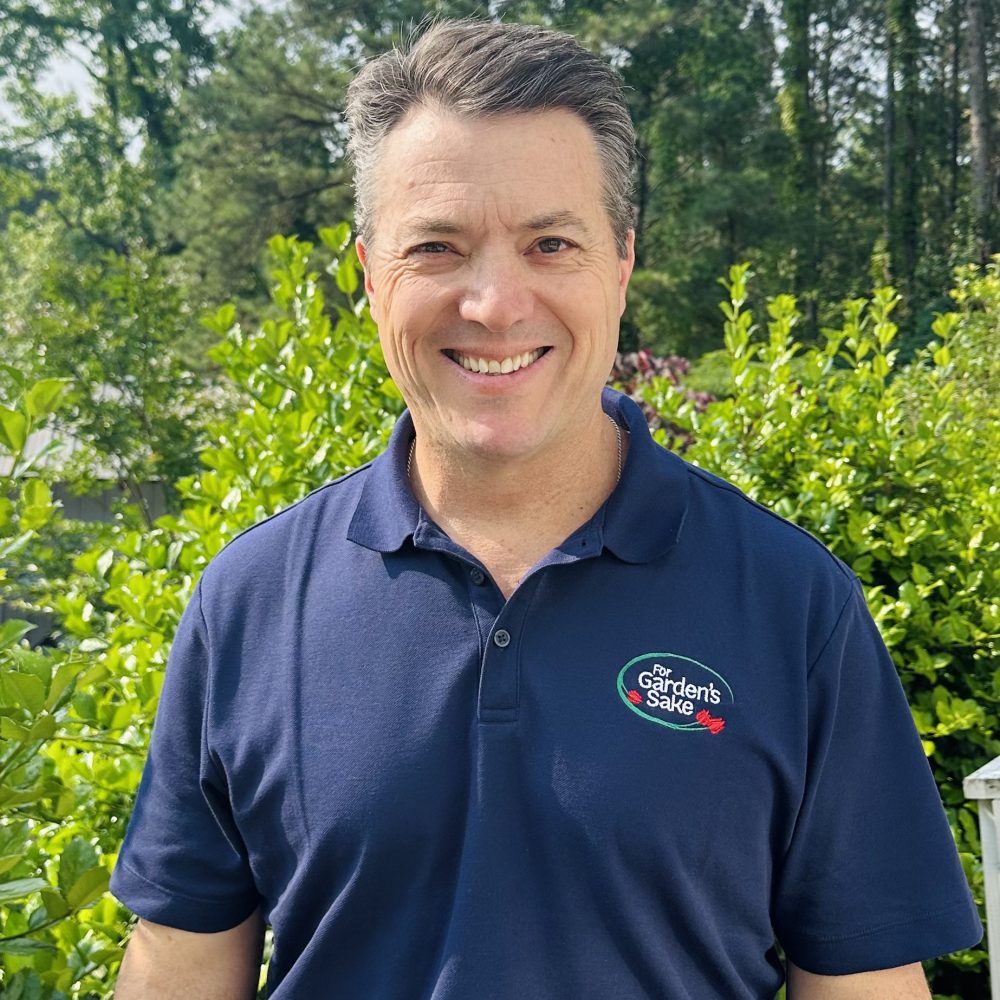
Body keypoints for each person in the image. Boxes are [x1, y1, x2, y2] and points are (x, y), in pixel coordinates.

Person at [110, 19, 982, 1000]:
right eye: (436, 246)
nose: (492, 302)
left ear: (619, 263)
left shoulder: (791, 605)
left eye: (549, 242)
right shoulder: (249, 603)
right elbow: (175, 977)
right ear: (370, 277)